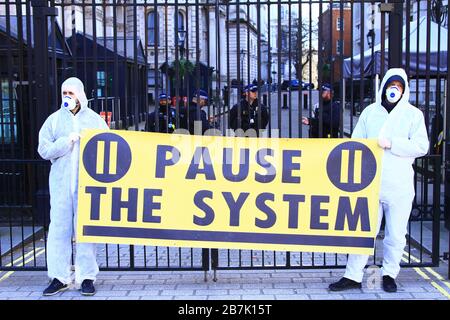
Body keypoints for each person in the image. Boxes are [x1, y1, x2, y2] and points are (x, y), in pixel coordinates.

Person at [329, 68, 429, 293]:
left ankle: (389, 274)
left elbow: (422, 146)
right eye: (391, 84)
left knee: (396, 233)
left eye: (399, 86)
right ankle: (353, 275)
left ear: (404, 89)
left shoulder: (413, 115)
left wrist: (393, 143)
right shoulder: (370, 112)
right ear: (383, 86)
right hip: (371, 184)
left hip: (399, 185)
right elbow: (356, 141)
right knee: (363, 231)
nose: (394, 89)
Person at [38, 77, 109, 296]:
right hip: (61, 185)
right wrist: (65, 142)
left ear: (80, 93)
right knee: (59, 230)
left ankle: (86, 277)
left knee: (86, 231)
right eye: (64, 93)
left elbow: (109, 146)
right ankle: (59, 277)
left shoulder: (95, 120)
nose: (67, 97)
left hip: (87, 185)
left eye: (71, 93)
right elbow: (44, 150)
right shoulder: (54, 121)